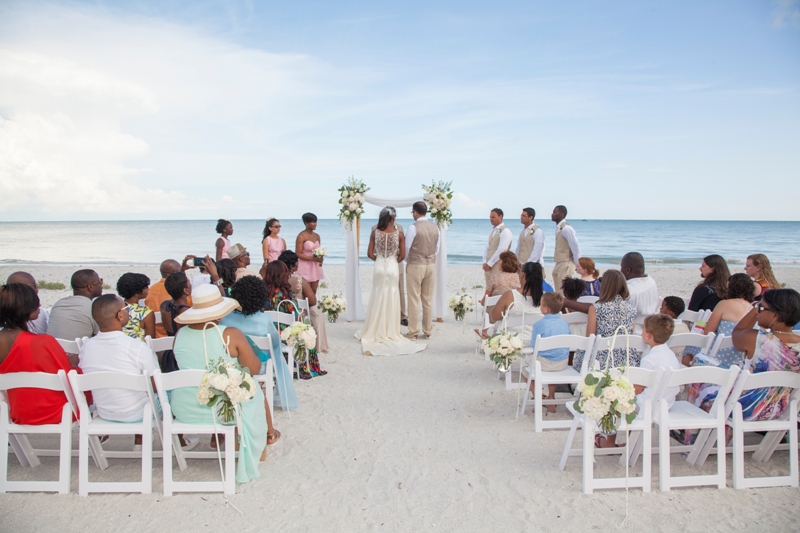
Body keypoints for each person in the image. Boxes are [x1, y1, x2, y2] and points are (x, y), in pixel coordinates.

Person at [172, 284, 280, 482]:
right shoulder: (229, 334)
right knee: (253, 387)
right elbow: (254, 369)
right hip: (225, 411)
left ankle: (227, 437)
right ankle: (269, 435)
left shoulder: (179, 335)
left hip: (186, 408)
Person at [79, 294, 199, 451]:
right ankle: (179, 443)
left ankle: (140, 441)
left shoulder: (86, 347)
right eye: (126, 307)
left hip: (105, 411)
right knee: (174, 392)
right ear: (120, 316)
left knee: (137, 391)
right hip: (140, 413)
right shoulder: (136, 347)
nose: (128, 310)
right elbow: (156, 385)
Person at [595, 314, 681, 448]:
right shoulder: (670, 355)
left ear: (649, 336)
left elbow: (638, 389)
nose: (642, 333)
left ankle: (609, 442)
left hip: (649, 405)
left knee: (612, 396)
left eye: (643, 329)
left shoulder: (650, 360)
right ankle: (631, 443)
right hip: (666, 402)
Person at [0, 283, 78, 425]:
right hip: (56, 412)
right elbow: (67, 378)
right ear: (25, 308)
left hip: (17, 412)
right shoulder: (43, 342)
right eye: (36, 302)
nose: (40, 305)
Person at [355, 207, 426, 356]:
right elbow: (402, 255)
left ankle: (375, 327)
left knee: (378, 294)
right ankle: (390, 329)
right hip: (393, 267)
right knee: (392, 296)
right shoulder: (399, 234)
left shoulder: (375, 233)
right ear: (393, 219)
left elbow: (369, 253)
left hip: (379, 267)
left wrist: (380, 260)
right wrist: (392, 260)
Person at [221, 276, 298, 411]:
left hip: (231, 365)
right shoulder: (264, 320)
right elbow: (275, 344)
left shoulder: (225, 318)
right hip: (258, 367)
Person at [731, 289, 800, 420]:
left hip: (744, 406)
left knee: (702, 378)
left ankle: (699, 430)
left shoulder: (757, 339)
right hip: (777, 409)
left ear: (775, 316)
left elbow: (737, 333)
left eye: (761, 307)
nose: (758, 311)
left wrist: (753, 310)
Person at [264, 261, 327, 379]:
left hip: (266, 332)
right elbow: (296, 315)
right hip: (284, 335)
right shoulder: (286, 295)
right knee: (305, 331)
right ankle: (304, 366)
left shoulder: (262, 293)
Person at [683, 273, 754, 367]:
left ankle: (688, 373)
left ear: (731, 288)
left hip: (719, 352)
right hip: (739, 355)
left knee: (690, 346)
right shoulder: (752, 308)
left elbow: (708, 332)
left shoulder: (724, 304)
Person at [573, 270, 639, 371]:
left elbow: (590, 337)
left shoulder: (596, 308)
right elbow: (630, 330)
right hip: (626, 360)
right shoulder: (631, 308)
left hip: (601, 359)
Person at [476, 262, 549, 343]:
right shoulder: (545, 298)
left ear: (522, 275)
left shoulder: (510, 295)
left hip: (510, 341)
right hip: (534, 340)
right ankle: (488, 331)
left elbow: (495, 316)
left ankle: (487, 332)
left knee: (499, 323)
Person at [276, 250, 328, 355]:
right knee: (317, 311)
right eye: (297, 262)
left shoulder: (274, 279)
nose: (298, 264)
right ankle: (317, 345)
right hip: (297, 317)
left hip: (278, 316)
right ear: (292, 266)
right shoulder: (299, 281)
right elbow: (312, 301)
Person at [527, 293, 571, 413]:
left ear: (546, 309)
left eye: (541, 305)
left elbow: (534, 346)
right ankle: (551, 398)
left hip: (543, 364)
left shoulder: (539, 324)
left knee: (525, 369)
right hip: (562, 363)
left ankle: (538, 397)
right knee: (554, 360)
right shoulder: (565, 324)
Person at [405, 201, 440, 340]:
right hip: (431, 265)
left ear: (416, 212)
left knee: (414, 299)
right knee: (428, 299)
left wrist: (409, 260)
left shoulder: (413, 227)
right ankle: (427, 330)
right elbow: (437, 249)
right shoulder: (435, 228)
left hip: (416, 264)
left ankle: (413, 331)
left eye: (412, 212)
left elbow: (407, 248)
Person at [47, 269, 102, 342]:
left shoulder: (58, 304)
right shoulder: (94, 308)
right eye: (100, 281)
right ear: (90, 286)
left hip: (52, 347)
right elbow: (101, 337)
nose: (101, 285)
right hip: (77, 349)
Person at [145, 257, 194, 338]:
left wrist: (181, 271)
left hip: (158, 337)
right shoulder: (184, 301)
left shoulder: (151, 290)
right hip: (179, 338)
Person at [550, 205, 581, 296]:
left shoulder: (567, 228)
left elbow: (575, 247)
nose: (552, 214)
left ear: (561, 214)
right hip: (559, 262)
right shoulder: (559, 228)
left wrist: (577, 264)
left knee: (563, 292)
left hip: (566, 262)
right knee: (557, 291)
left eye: (555, 212)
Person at [116, 272, 155, 341]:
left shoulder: (115, 308)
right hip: (139, 347)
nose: (148, 289)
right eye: (146, 287)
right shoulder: (146, 313)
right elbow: (151, 339)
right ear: (138, 291)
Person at [620, 252, 659, 318]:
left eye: (621, 267)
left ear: (628, 270)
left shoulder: (629, 291)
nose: (620, 270)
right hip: (650, 319)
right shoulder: (651, 280)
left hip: (636, 323)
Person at [481, 208, 513, 288]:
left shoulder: (506, 231)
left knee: (498, 288)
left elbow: (502, 249)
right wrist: (484, 262)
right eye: (490, 217)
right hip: (488, 266)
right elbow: (487, 248)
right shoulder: (493, 232)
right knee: (489, 288)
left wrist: (490, 264)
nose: (491, 219)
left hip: (498, 265)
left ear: (500, 217)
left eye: (493, 217)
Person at [295, 212, 325, 294]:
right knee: (306, 291)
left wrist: (320, 257)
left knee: (314, 290)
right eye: (313, 222)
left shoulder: (317, 236)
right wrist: (313, 259)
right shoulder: (301, 236)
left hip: (315, 265)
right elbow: (298, 253)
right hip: (305, 264)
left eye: (316, 222)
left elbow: (317, 250)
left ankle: (313, 302)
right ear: (306, 223)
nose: (315, 224)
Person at [159, 272, 191, 337]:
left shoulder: (164, 306)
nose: (191, 284)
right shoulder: (186, 312)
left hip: (170, 341)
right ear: (185, 290)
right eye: (189, 283)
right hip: (183, 341)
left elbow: (174, 288)